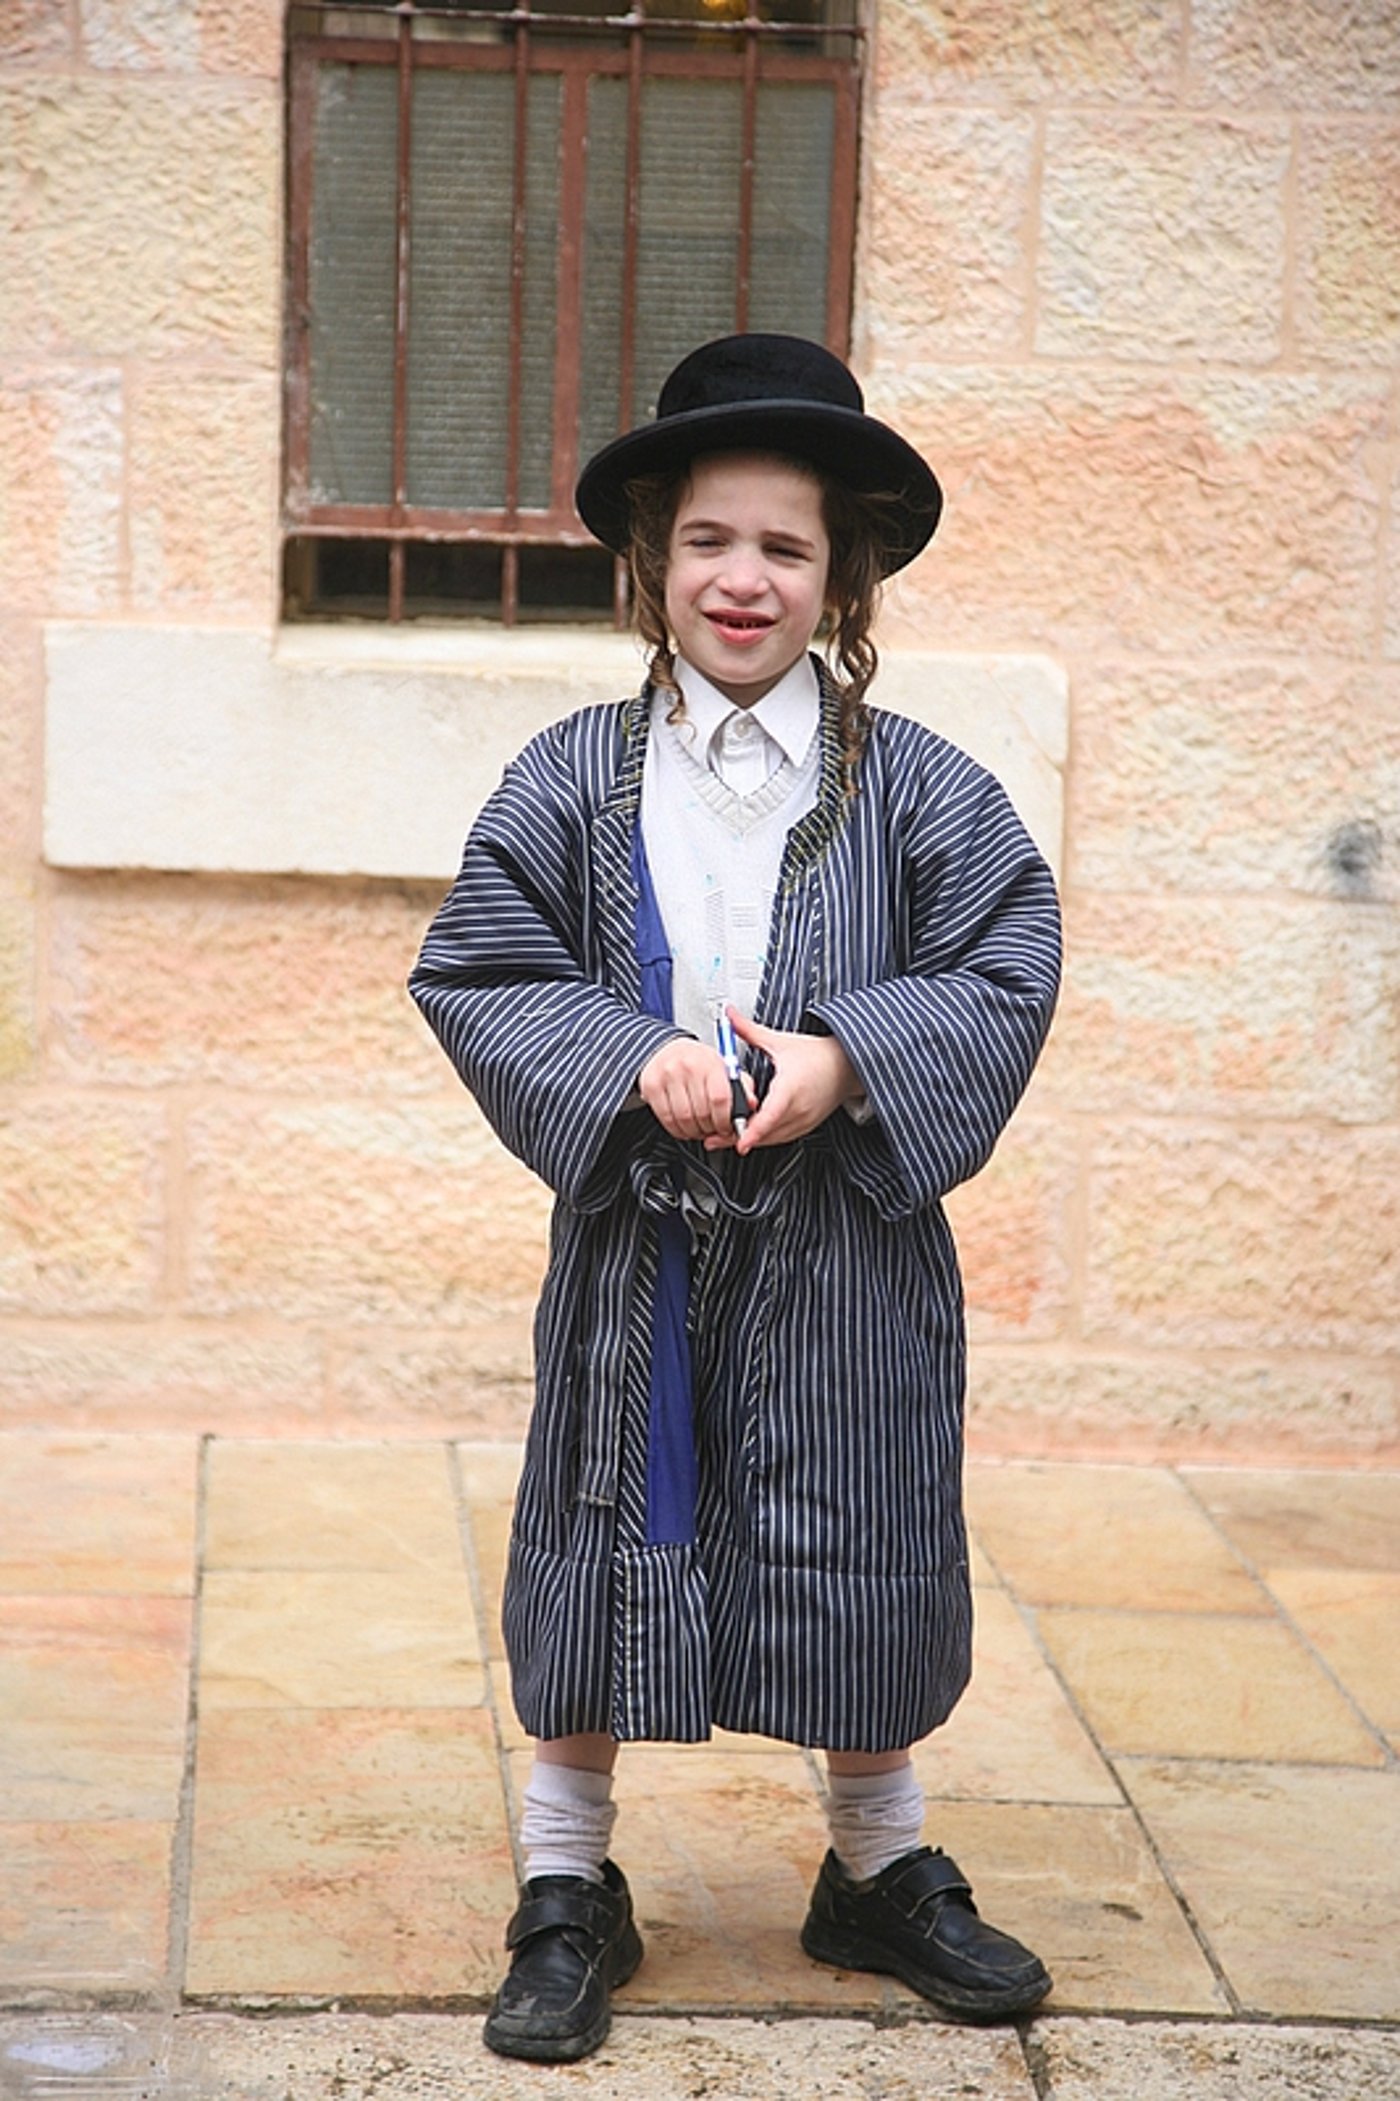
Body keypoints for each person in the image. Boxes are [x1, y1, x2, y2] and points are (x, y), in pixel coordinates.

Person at [409, 333, 1062, 2063]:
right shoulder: (573, 775)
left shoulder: (922, 787)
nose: (743, 578)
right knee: (601, 1523)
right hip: (641, 1240)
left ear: (843, 574)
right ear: (652, 558)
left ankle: (879, 1864)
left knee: (863, 1524)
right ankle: (568, 1880)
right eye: (707, 538)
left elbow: (1007, 960)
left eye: (785, 544)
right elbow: (481, 966)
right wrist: (631, 1058)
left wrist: (848, 1056)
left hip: (849, 1244)